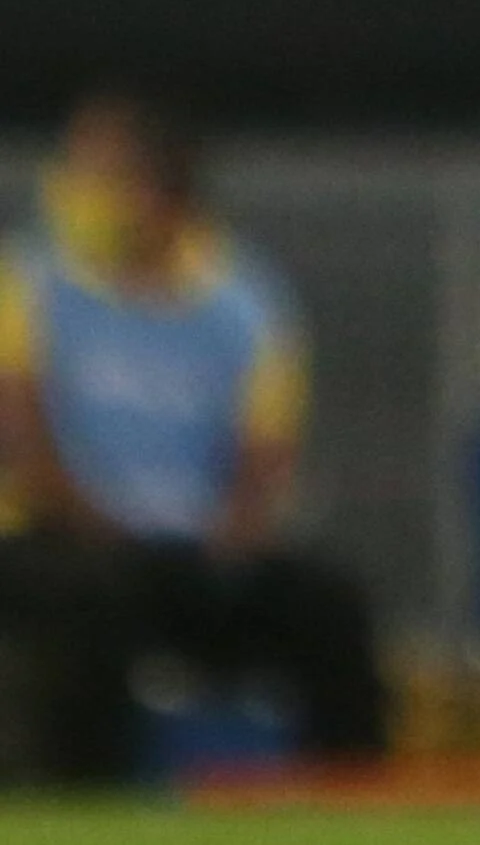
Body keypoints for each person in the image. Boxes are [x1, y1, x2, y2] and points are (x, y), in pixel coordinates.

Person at [0, 92, 385, 783]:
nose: (70, 192)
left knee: (330, 606)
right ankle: (89, 797)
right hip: (63, 539)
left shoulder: (245, 304)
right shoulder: (29, 284)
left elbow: (264, 461)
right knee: (87, 603)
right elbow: (25, 444)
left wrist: (227, 544)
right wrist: (107, 532)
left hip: (192, 549)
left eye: (94, 175)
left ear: (156, 193)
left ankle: (350, 798)